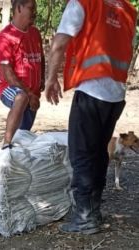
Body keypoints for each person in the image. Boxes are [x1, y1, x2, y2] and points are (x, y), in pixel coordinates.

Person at [45, 0, 137, 234]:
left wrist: (51, 78)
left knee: (82, 153)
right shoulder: (127, 10)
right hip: (116, 95)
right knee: (98, 152)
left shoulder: (84, 3)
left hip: (91, 91)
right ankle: (93, 209)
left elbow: (59, 43)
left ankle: (85, 216)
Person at [0, 0, 45, 149]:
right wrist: (28, 94)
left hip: (32, 94)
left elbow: (41, 57)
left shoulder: (35, 33)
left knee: (22, 136)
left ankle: (13, 156)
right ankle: (6, 144)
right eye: (31, 8)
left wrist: (42, 80)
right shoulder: (4, 38)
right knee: (21, 97)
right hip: (10, 89)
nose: (34, 12)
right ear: (19, 8)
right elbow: (8, 75)